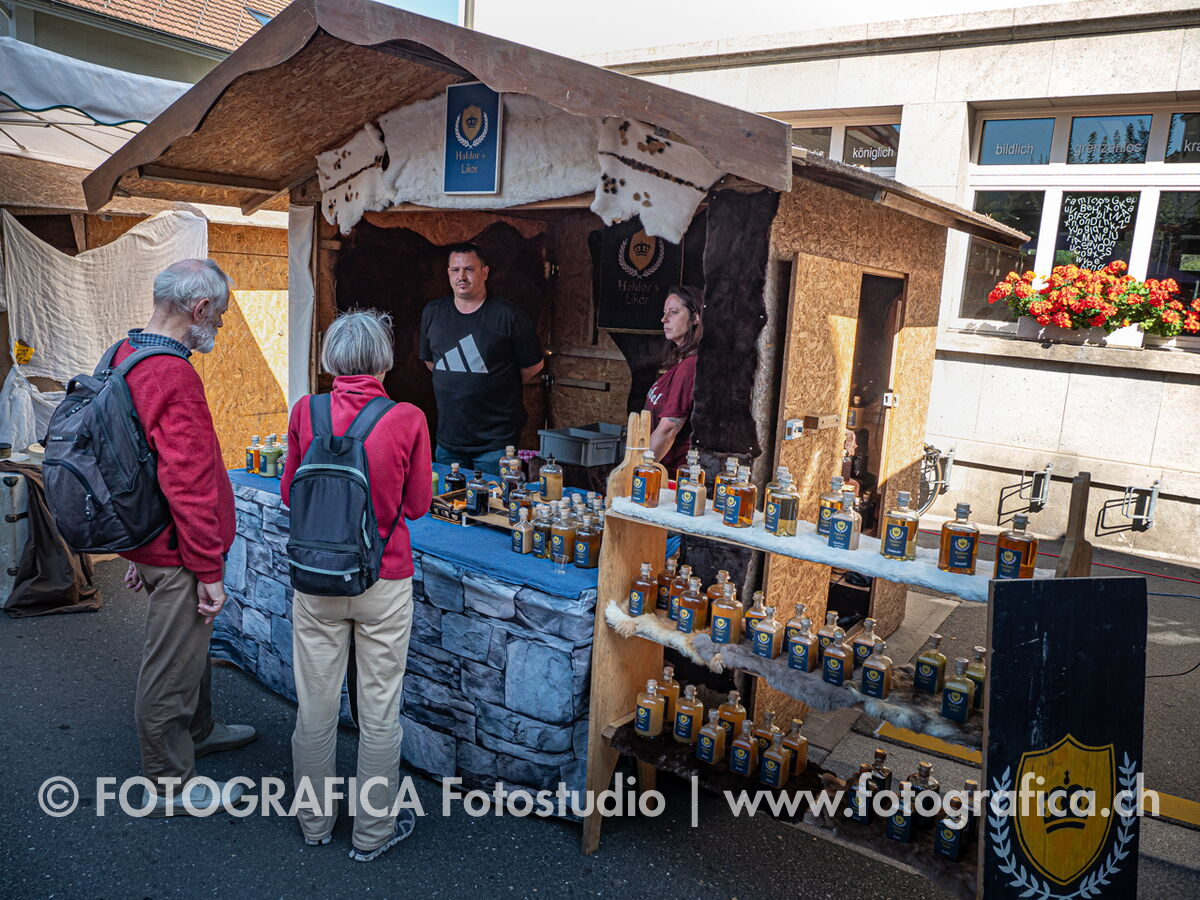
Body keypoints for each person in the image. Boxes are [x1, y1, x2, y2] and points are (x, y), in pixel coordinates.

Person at [281, 310, 433, 862]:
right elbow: (417, 505)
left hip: (316, 580)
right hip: (383, 580)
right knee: (379, 711)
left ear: (332, 359)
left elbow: (288, 493)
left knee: (315, 708)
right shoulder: (407, 418)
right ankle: (372, 834)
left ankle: (314, 824)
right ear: (384, 360)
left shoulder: (306, 411)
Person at [118, 258, 256, 817]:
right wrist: (208, 569)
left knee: (189, 653)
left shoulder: (125, 353)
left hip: (154, 540)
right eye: (218, 316)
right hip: (177, 552)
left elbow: (131, 463)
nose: (217, 326)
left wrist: (135, 547)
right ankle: (169, 784)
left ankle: (199, 731)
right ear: (199, 309)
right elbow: (189, 483)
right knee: (170, 670)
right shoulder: (173, 375)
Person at [418, 242, 543, 471]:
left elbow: (533, 365)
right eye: (455, 270)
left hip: (495, 445)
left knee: (493, 496)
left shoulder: (508, 315)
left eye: (469, 269)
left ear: (484, 272)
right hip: (448, 443)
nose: (461, 276)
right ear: (448, 273)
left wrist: (497, 382)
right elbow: (431, 362)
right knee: (449, 494)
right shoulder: (433, 312)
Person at [645, 286, 703, 472]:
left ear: (695, 318)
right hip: (659, 468)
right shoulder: (680, 361)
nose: (664, 319)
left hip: (670, 475)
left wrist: (637, 470)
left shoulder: (690, 366)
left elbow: (668, 429)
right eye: (664, 313)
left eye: (674, 312)